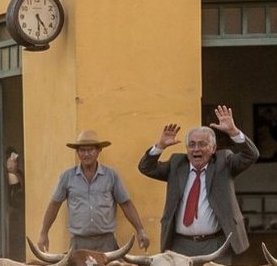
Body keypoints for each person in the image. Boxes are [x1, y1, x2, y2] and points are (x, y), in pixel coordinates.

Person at [138, 105, 259, 258]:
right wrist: (160, 146)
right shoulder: (176, 165)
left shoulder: (224, 163)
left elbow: (251, 155)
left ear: (213, 148)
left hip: (215, 243)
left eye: (202, 144)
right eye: (192, 145)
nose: (196, 149)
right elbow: (146, 167)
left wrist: (233, 132)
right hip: (180, 244)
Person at [39, 130, 149, 252]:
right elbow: (54, 205)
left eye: (90, 150)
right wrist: (44, 233)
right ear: (77, 152)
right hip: (79, 243)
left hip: (106, 243)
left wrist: (140, 230)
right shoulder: (67, 176)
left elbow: (126, 204)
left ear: (99, 150)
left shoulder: (111, 175)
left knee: (114, 265)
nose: (86, 154)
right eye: (82, 150)